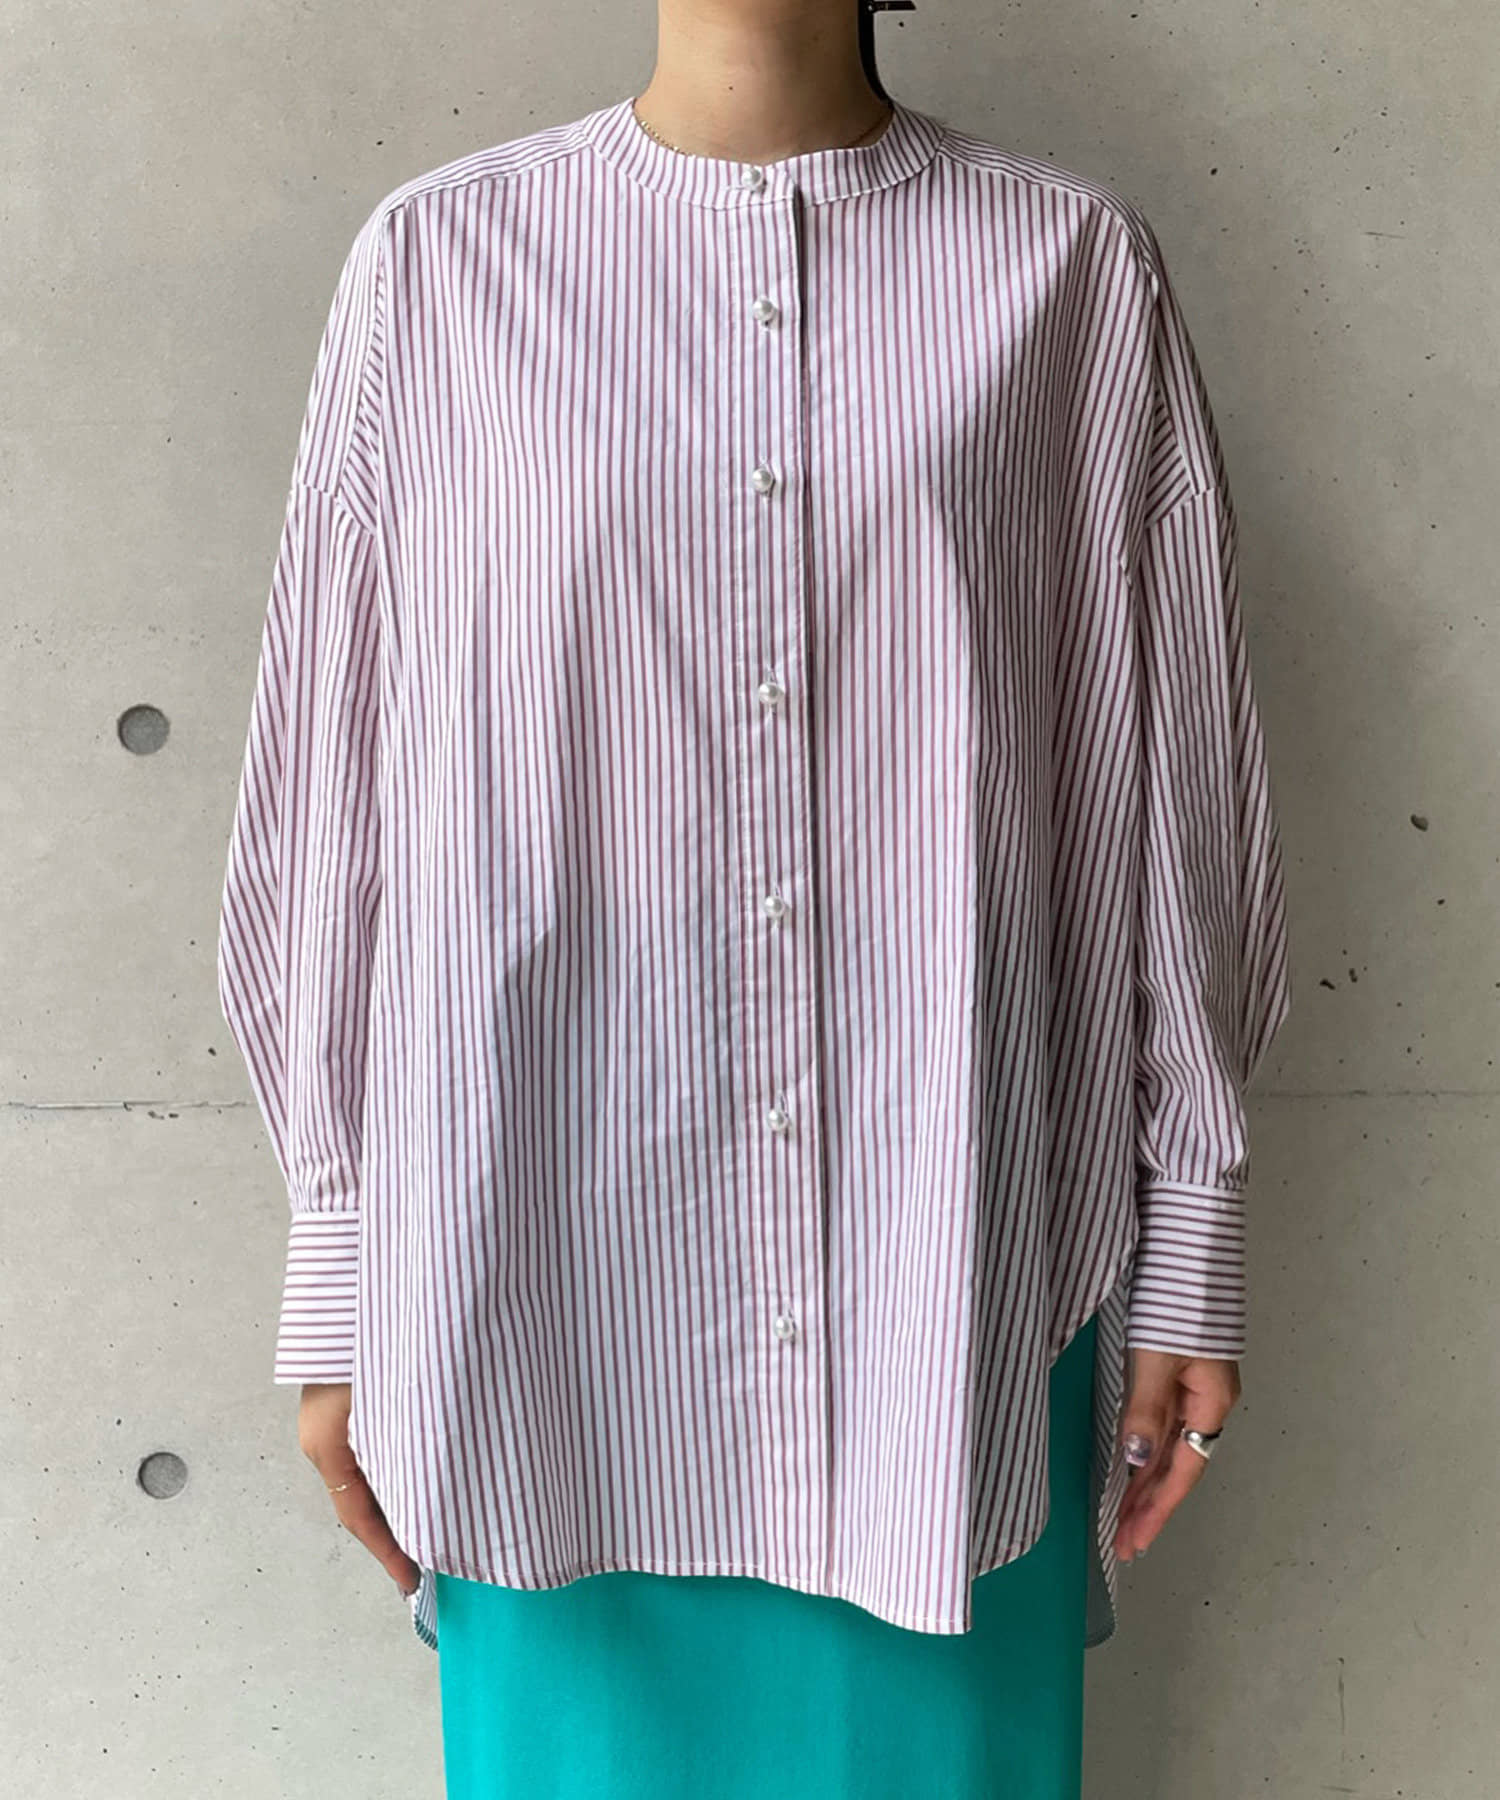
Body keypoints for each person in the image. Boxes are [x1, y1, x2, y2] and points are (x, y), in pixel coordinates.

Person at [218, 2, 1292, 1795]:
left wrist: (1192, 1231)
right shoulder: (439, 267)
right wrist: (337, 1269)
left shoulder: (1071, 267)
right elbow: (337, 801)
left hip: (945, 1290)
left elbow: (1166, 782)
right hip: (537, 1293)